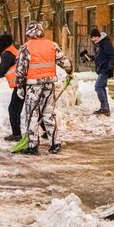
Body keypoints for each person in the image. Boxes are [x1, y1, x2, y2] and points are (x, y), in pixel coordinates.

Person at [15, 22, 73, 155]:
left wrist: (20, 86)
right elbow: (66, 62)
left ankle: (33, 145)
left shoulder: (26, 47)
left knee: (32, 114)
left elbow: (20, 69)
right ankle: (55, 143)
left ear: (28, 34)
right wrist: (70, 73)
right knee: (48, 114)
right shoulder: (52, 45)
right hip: (48, 85)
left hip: (33, 86)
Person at [89, 28, 114, 115]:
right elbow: (100, 56)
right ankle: (105, 107)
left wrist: (110, 68)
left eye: (94, 37)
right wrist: (90, 57)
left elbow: (113, 55)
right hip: (101, 69)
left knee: (98, 86)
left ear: (98, 36)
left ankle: (104, 108)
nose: (93, 39)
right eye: (91, 37)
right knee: (101, 87)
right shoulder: (98, 45)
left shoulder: (105, 43)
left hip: (105, 69)